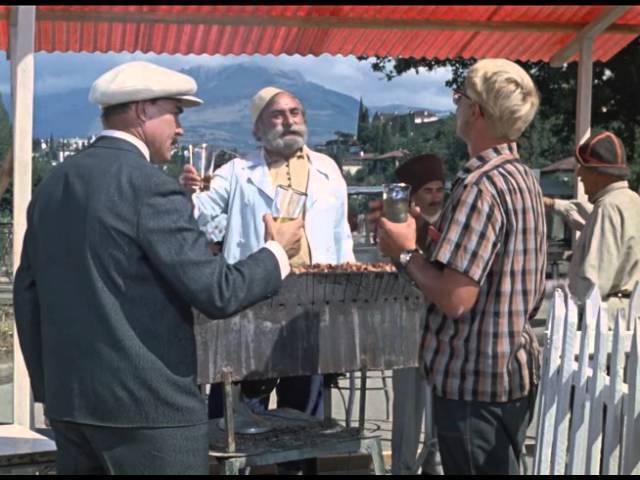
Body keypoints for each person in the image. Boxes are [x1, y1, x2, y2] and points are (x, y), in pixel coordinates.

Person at [12, 61, 304, 475]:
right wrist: (276, 252)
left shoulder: (54, 185)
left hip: (70, 406)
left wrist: (51, 390)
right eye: (176, 113)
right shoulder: (151, 187)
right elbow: (217, 291)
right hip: (149, 411)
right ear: (142, 110)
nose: (180, 128)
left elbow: (27, 293)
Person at [377, 58, 545, 475]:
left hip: (474, 381)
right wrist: (425, 238)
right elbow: (492, 271)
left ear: (476, 111)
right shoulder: (522, 177)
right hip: (509, 373)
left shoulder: (479, 185)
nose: (456, 106)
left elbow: (455, 298)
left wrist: (404, 252)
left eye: (460, 97)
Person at [180, 86, 355, 474]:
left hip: (309, 307)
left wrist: (345, 302)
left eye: (295, 112)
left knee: (304, 420)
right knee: (235, 416)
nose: (289, 120)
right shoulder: (236, 172)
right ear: (257, 129)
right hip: (251, 306)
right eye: (277, 114)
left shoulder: (328, 170)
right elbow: (199, 219)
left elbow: (341, 237)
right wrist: (189, 192)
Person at [390, 153, 445, 475]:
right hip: (408, 332)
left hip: (445, 333)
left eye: (439, 189)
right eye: (428, 191)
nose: (435, 198)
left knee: (441, 411)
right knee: (408, 410)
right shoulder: (399, 228)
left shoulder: (452, 225)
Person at [557, 131, 640, 320]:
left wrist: (575, 310)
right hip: (629, 317)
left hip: (607, 321)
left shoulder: (609, 207)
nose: (579, 175)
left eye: (584, 168)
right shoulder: (633, 201)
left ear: (599, 172)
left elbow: (594, 281)